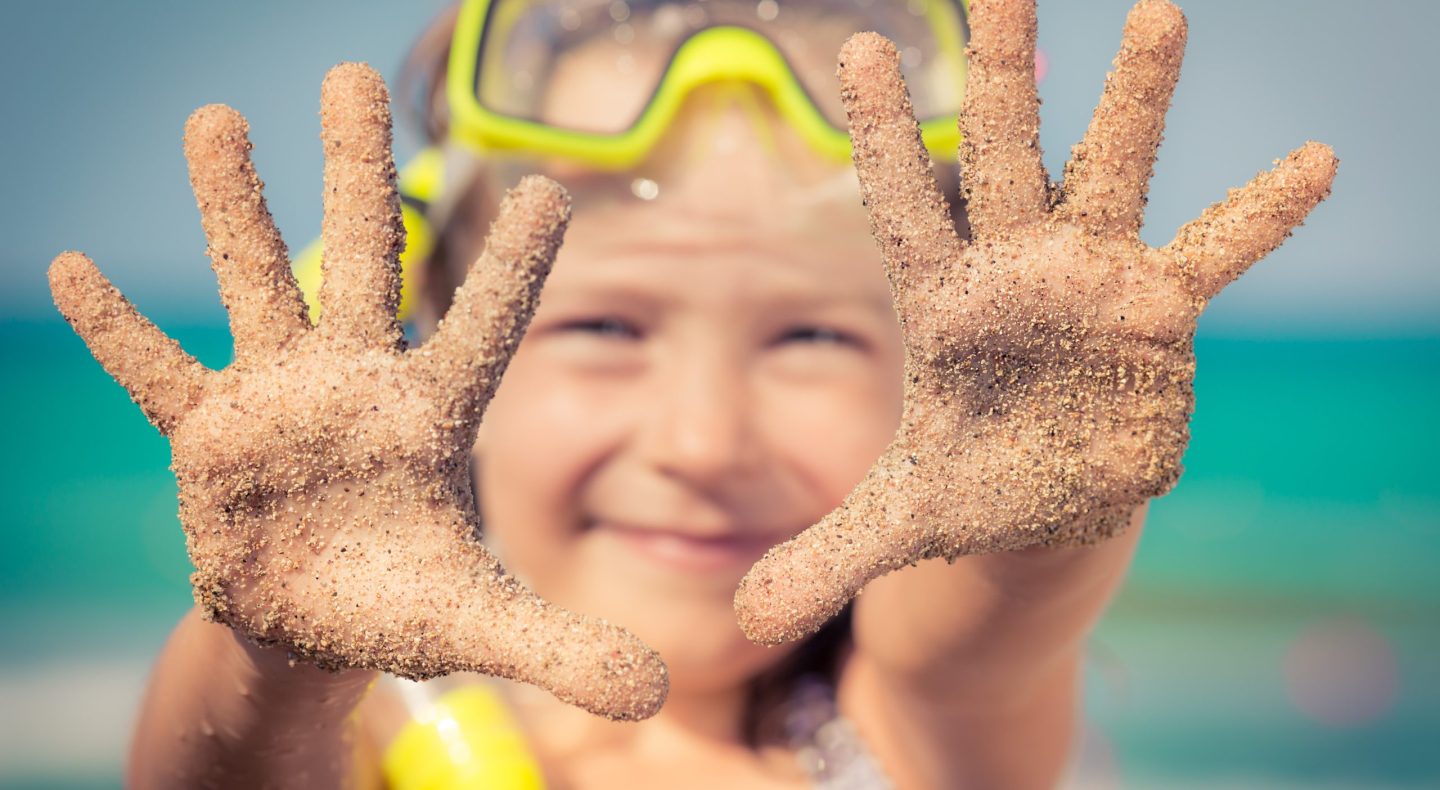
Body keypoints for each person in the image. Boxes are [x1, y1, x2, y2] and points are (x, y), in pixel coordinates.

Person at [46, 0, 1335, 787]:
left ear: (938, 388)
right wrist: (273, 658)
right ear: (423, 346)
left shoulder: (908, 736)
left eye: (814, 340)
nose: (702, 439)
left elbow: (983, 643)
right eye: (606, 325)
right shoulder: (356, 738)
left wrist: (1043, 502)